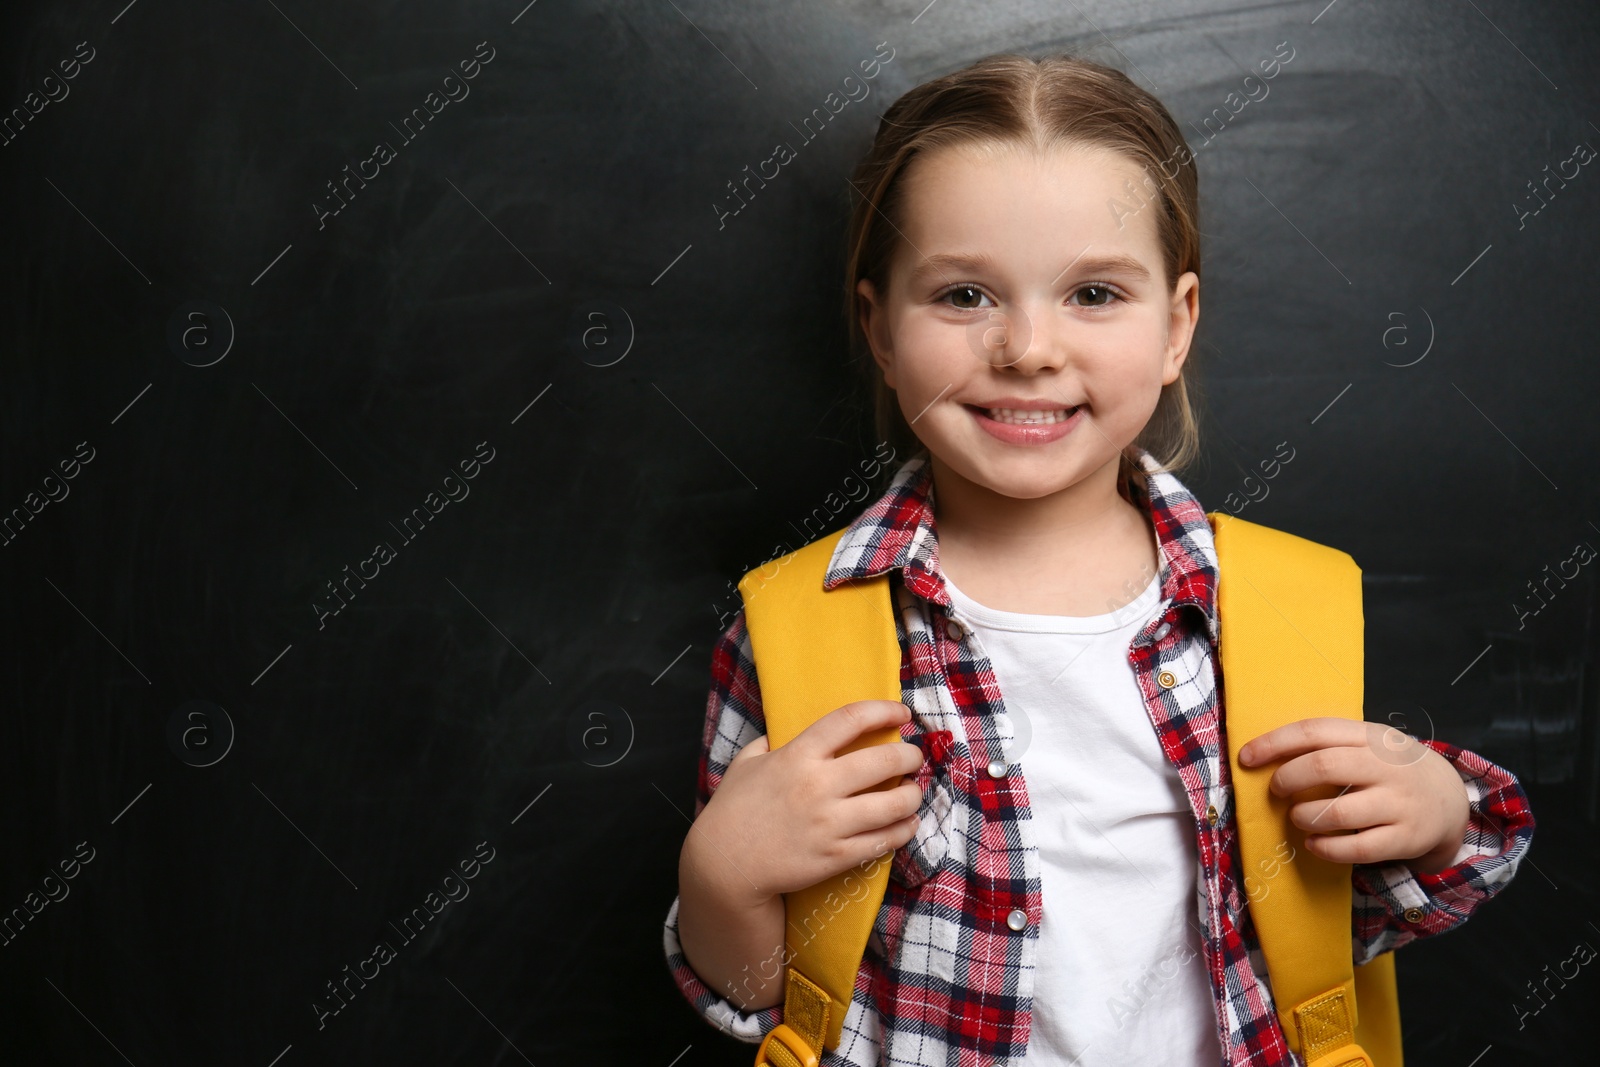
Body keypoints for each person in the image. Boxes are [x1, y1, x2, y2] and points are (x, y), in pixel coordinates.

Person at [662, 51, 1535, 1066]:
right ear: (880, 330)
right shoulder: (793, 625)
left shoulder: (1283, 605)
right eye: (961, 295)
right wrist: (719, 873)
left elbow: (1375, 897)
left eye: (1092, 292)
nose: (1029, 347)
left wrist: (1432, 817)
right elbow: (761, 994)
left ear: (1176, 324)